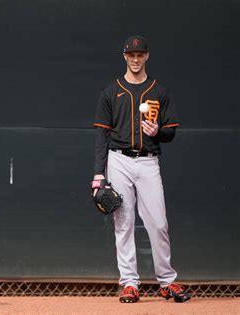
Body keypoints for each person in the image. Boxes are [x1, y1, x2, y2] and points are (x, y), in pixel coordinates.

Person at [92, 35, 191, 303]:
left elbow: (170, 132)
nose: (135, 59)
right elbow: (101, 136)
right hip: (119, 160)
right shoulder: (111, 91)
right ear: (124, 56)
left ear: (147, 56)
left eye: (140, 54)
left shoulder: (159, 90)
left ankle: (167, 281)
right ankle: (129, 283)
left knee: (158, 223)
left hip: (148, 160)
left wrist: (158, 131)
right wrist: (98, 174)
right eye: (131, 55)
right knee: (123, 223)